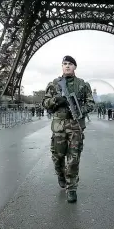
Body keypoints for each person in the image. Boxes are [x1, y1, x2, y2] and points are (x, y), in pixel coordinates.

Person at [42, 56, 95, 203]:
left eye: (70, 64)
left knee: (73, 158)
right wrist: (55, 100)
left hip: (75, 126)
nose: (67, 66)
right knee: (58, 157)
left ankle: (72, 188)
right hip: (59, 126)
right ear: (62, 66)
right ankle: (60, 174)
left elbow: (91, 103)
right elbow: (45, 103)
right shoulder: (54, 84)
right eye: (64, 64)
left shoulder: (83, 85)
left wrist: (79, 110)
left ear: (75, 67)